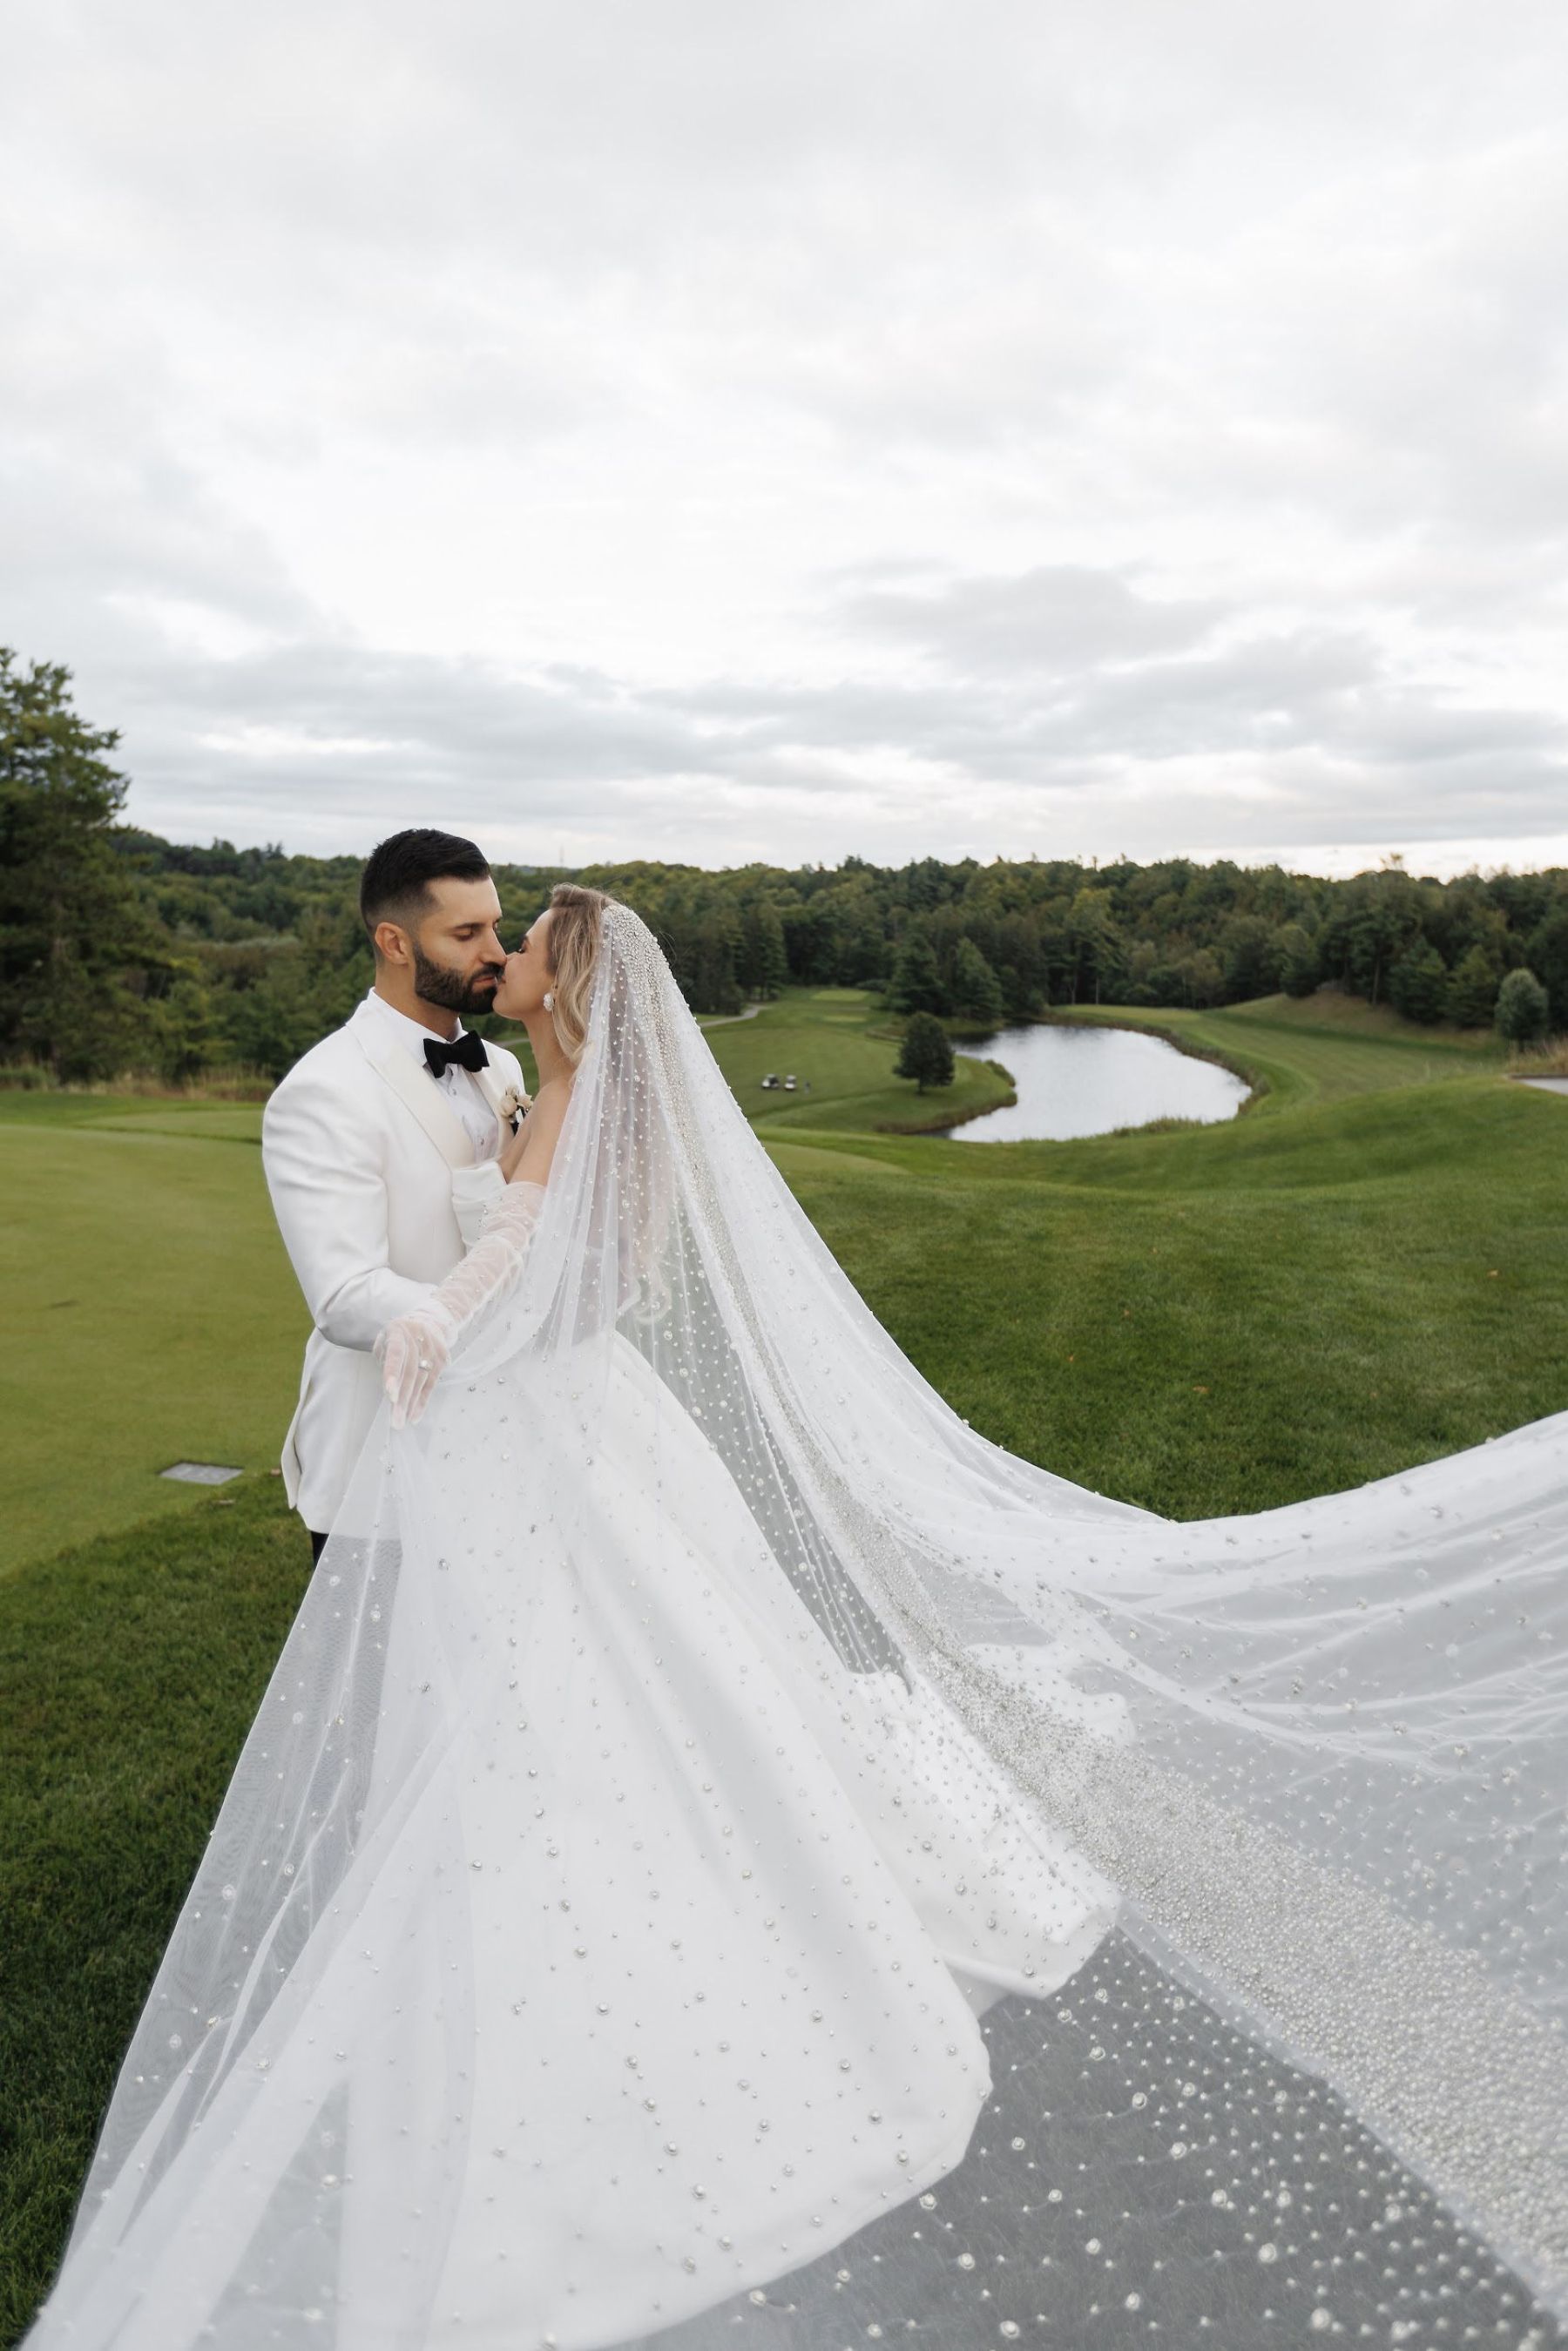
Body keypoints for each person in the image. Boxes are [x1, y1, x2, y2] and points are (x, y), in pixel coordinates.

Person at [23, 894, 1568, 2350]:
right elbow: (571, 1266)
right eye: (486, 933)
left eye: (525, 942)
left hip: (531, 1428)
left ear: (569, 982)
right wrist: (463, 1286)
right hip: (576, 1421)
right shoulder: (547, 1086)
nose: (503, 959)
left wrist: (446, 1321)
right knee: (643, 1672)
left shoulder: (555, 1095)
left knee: (553, 1693)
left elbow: (523, 1270)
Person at [260, 829, 529, 1563]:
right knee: (377, 1682)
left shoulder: (501, 1064)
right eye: (467, 932)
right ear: (396, 941)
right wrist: (496, 1324)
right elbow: (347, 1295)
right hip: (377, 1465)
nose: (497, 951)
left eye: (497, 925)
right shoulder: (324, 1089)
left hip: (504, 1444)